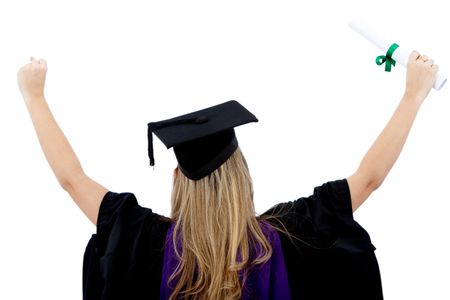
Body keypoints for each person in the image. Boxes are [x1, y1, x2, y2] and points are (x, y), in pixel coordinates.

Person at [17, 51, 438, 300]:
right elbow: (369, 178)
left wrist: (33, 95)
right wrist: (413, 92)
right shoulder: (291, 236)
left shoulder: (143, 242)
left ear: (178, 179)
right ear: (242, 176)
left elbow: (71, 178)